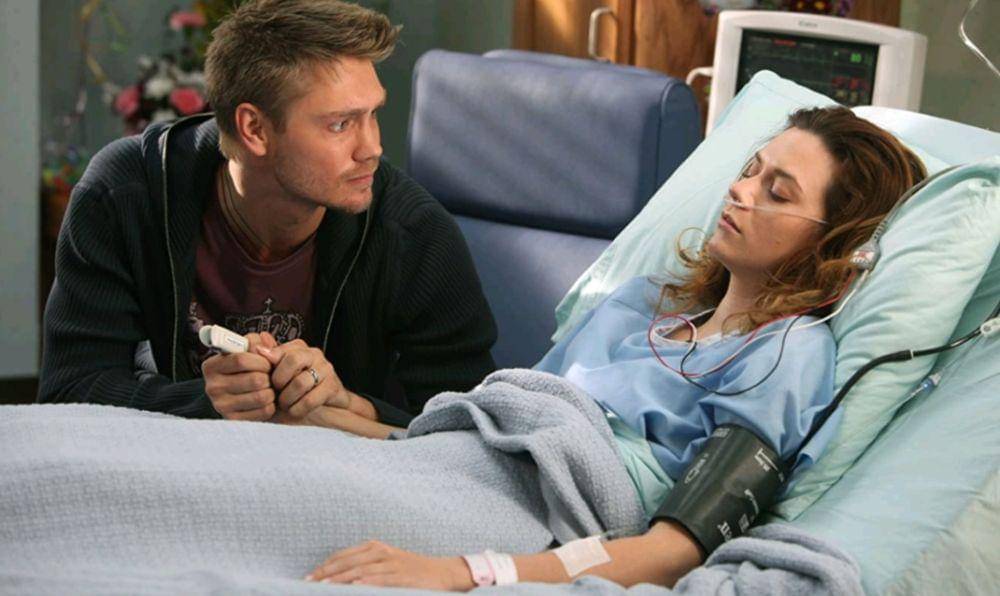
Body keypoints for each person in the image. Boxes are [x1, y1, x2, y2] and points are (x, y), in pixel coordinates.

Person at [298, 106, 928, 589]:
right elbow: (494, 435)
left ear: (835, 244)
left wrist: (468, 572)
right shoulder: (641, 302)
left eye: (779, 193)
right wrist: (323, 414)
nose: (741, 191)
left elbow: (671, 552)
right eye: (750, 171)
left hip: (526, 524)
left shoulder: (786, 356)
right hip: (446, 473)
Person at [37, 0, 497, 437]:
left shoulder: (415, 233)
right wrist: (202, 402)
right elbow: (68, 391)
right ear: (254, 129)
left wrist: (350, 403)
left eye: (373, 114)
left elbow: (473, 425)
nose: (372, 148)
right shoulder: (122, 196)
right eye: (341, 124)